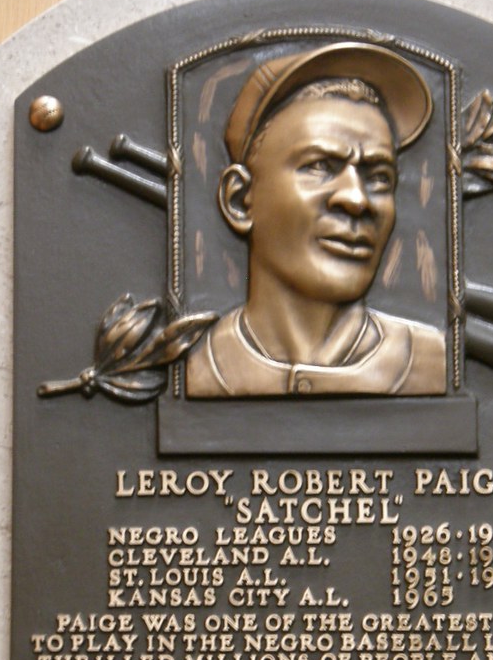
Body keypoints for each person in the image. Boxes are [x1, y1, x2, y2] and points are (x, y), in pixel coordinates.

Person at [186, 41, 447, 397]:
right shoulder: (195, 365)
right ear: (240, 201)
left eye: (379, 176)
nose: (356, 199)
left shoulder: (430, 362)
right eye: (320, 166)